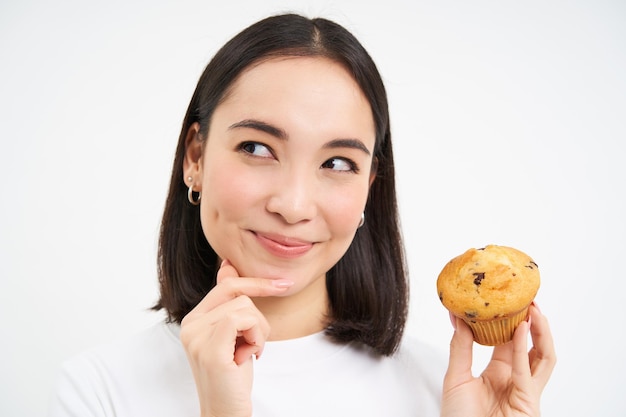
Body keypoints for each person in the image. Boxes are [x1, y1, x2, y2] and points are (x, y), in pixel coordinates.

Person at [48, 13, 556, 417]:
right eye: (257, 147)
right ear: (195, 158)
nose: (292, 205)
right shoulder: (98, 392)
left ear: (369, 189)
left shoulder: (448, 393)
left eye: (337, 163)